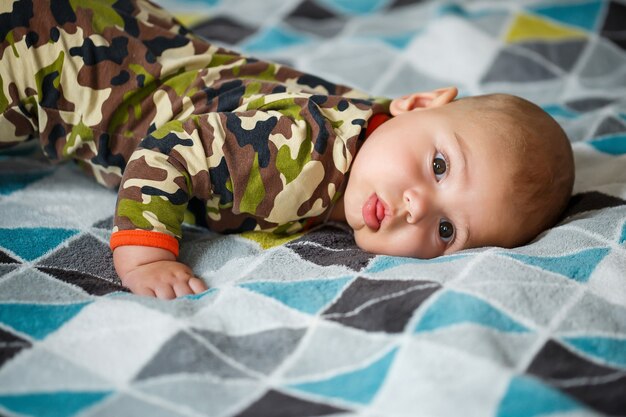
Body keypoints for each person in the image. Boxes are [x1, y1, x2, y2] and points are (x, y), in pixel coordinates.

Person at [0, 0, 574, 299]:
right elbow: (170, 148)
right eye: (439, 167)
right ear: (418, 103)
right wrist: (146, 252)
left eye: (447, 232)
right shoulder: (301, 159)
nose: (417, 207)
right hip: (47, 63)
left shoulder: (375, 125)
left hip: (124, 32)